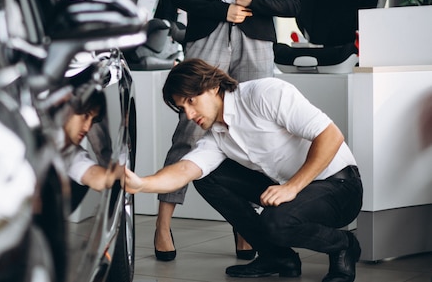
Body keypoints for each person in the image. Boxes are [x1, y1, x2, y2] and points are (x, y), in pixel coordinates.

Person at [155, 0, 301, 261]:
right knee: (189, 128)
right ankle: (163, 224)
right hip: (209, 36)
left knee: (251, 129)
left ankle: (245, 229)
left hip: (255, 41)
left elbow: (291, 2)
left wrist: (252, 3)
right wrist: (224, 10)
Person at [125, 59, 363, 281]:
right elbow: (185, 169)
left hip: (340, 186)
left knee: (275, 222)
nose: (188, 114)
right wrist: (142, 184)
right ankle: (277, 257)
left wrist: (292, 187)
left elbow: (331, 135)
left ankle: (343, 245)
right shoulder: (216, 136)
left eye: (191, 100)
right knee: (208, 176)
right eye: (181, 108)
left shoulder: (264, 93)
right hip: (291, 189)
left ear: (212, 86)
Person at [62, 91, 118, 211]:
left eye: (93, 121)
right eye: (85, 116)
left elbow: (93, 175)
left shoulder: (71, 152)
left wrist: (125, 176)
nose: (87, 128)